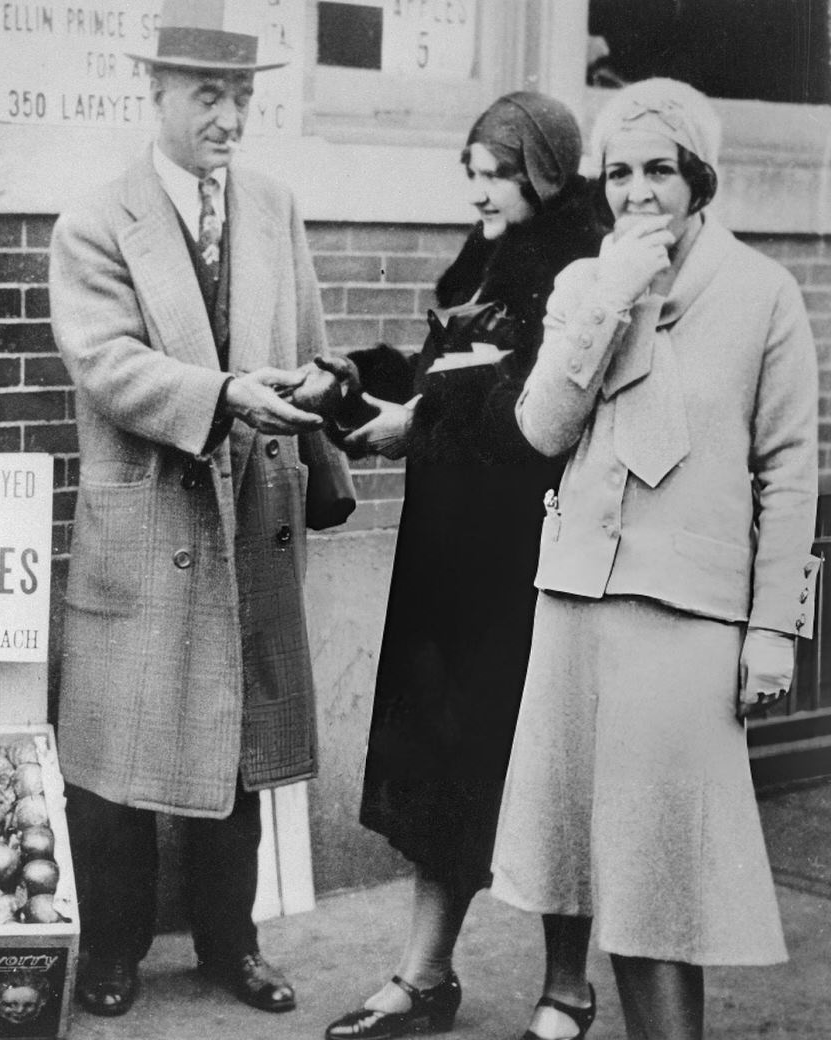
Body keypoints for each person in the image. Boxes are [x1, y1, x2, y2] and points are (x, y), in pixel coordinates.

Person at [490, 78, 818, 1040]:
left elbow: (789, 474)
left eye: (661, 172)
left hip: (690, 614)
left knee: (658, 870)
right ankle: (564, 996)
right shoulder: (585, 283)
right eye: (621, 173)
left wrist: (772, 633)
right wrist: (609, 298)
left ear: (700, 178)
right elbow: (542, 430)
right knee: (571, 833)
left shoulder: (764, 295)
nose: (639, 193)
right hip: (578, 596)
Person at [48, 0, 351, 1019]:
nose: (228, 117)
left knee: (237, 746)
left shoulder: (271, 206)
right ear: (158, 96)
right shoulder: (95, 220)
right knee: (113, 756)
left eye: (242, 97)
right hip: (145, 515)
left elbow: (306, 337)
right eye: (208, 96)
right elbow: (104, 364)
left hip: (249, 512)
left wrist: (322, 397)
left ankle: (232, 942)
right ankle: (112, 946)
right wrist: (220, 394)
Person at [325, 93, 604, 1040]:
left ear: (546, 173)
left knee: (547, 764)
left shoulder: (586, 268)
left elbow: (539, 415)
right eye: (473, 171)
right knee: (446, 757)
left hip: (537, 557)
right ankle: (425, 976)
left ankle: (567, 986)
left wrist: (427, 416)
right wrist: (352, 380)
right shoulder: (487, 259)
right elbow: (449, 370)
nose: (480, 190)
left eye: (498, 172)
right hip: (457, 551)